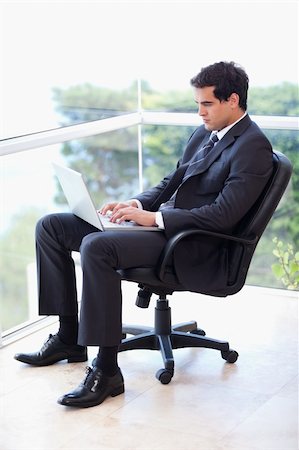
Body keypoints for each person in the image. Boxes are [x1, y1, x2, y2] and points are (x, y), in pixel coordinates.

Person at [14, 61, 273, 408]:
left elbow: (224, 216)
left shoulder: (253, 146)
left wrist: (154, 219)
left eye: (206, 104)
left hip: (194, 244)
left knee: (97, 247)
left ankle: (107, 372)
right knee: (52, 226)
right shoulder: (206, 132)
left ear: (233, 100)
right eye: (197, 103)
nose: (199, 112)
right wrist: (135, 204)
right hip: (166, 228)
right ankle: (68, 338)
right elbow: (172, 182)